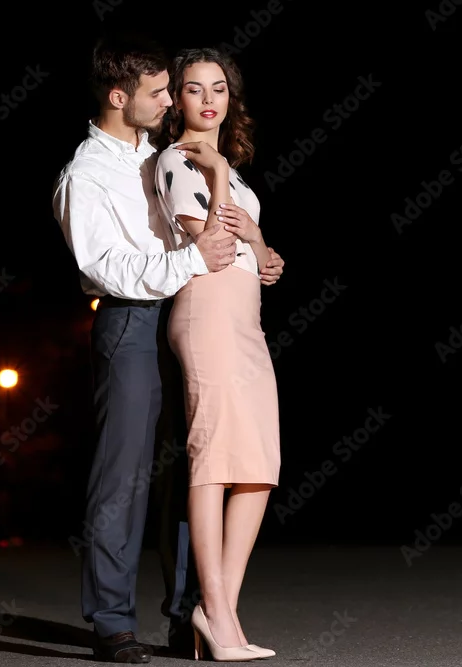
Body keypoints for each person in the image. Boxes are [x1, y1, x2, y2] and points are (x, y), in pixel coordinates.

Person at [52, 34, 285, 663]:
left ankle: (191, 614)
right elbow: (105, 266)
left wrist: (254, 251)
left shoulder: (159, 155)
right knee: (124, 472)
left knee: (193, 466)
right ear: (117, 96)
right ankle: (112, 623)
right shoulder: (85, 175)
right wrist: (193, 258)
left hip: (188, 309)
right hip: (131, 318)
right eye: (158, 92)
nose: (168, 101)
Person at [152, 47, 280, 662]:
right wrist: (221, 175)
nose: (209, 99)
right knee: (213, 462)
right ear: (176, 100)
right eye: (195, 88)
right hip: (205, 313)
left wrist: (263, 245)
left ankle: (218, 608)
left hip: (245, 321)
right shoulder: (177, 160)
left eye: (219, 88)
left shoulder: (235, 173)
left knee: (258, 466)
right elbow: (209, 243)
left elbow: (253, 251)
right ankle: (219, 614)